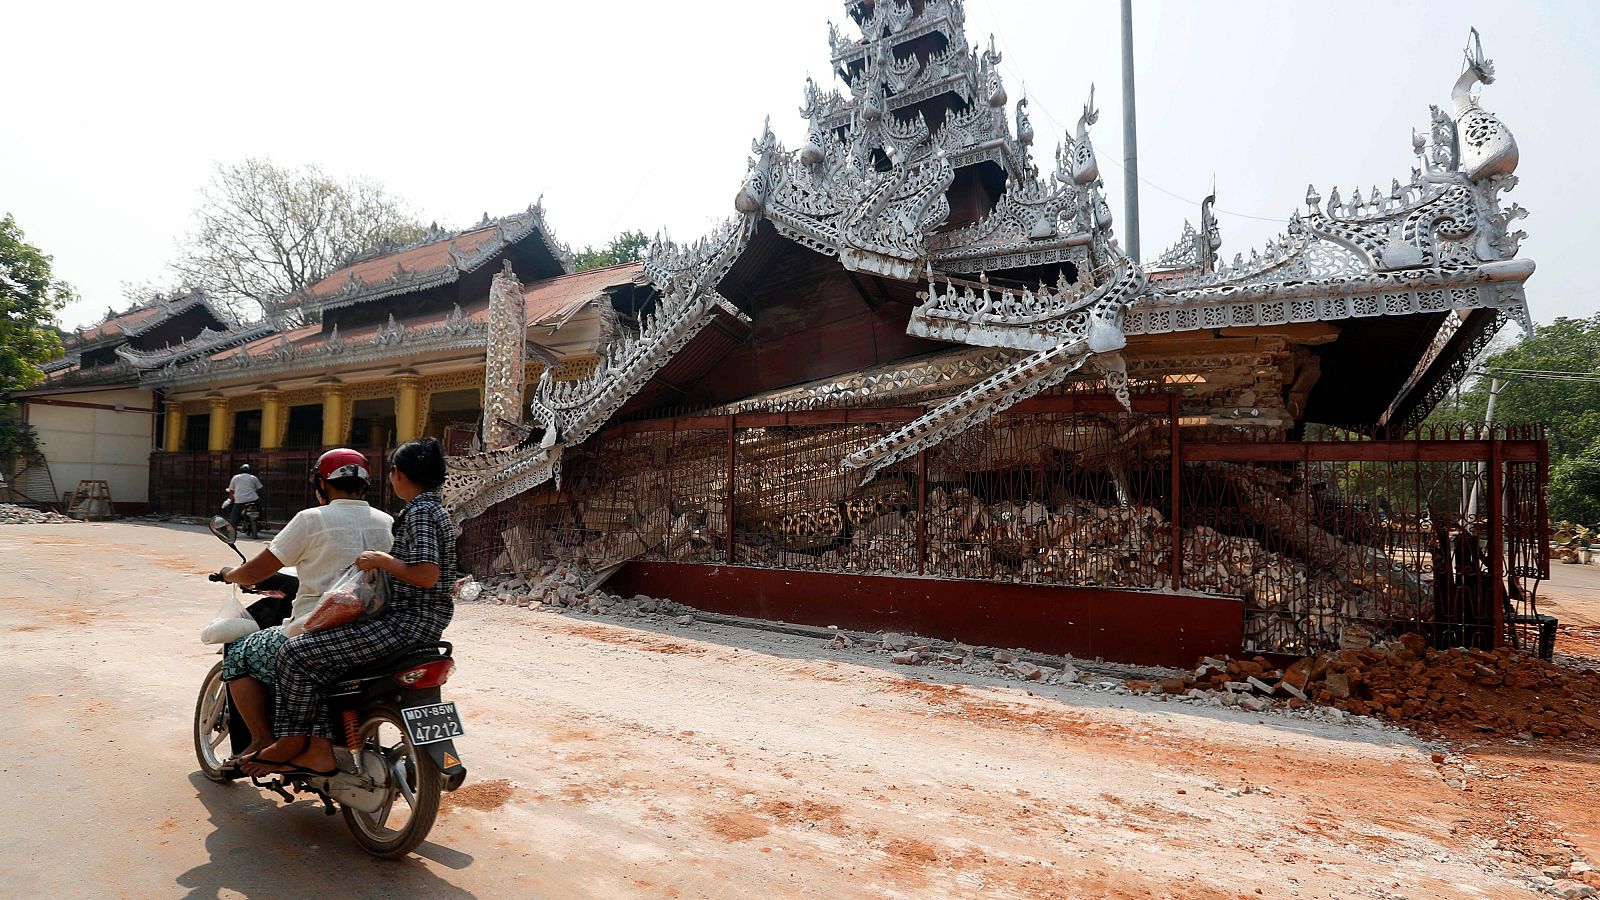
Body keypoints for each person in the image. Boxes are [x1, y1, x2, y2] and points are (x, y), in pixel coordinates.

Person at [245, 437, 456, 778]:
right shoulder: (429, 511)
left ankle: (301, 746)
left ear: (398, 475)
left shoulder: (419, 512)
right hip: (423, 625)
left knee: (295, 654)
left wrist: (382, 561)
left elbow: (427, 574)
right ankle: (319, 743)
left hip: (403, 624)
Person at [216, 449, 393, 767]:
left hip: (316, 628)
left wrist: (230, 573)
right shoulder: (387, 522)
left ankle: (262, 739)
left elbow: (258, 570)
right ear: (365, 485)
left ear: (322, 484)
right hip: (371, 630)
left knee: (241, 651)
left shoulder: (311, 520)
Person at [226, 464, 264, 531]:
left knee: (234, 514)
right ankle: (263, 521)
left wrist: (230, 499)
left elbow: (231, 490)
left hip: (239, 500)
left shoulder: (235, 477)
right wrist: (258, 494)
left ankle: (232, 530)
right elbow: (260, 488)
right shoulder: (253, 477)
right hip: (253, 499)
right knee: (261, 509)